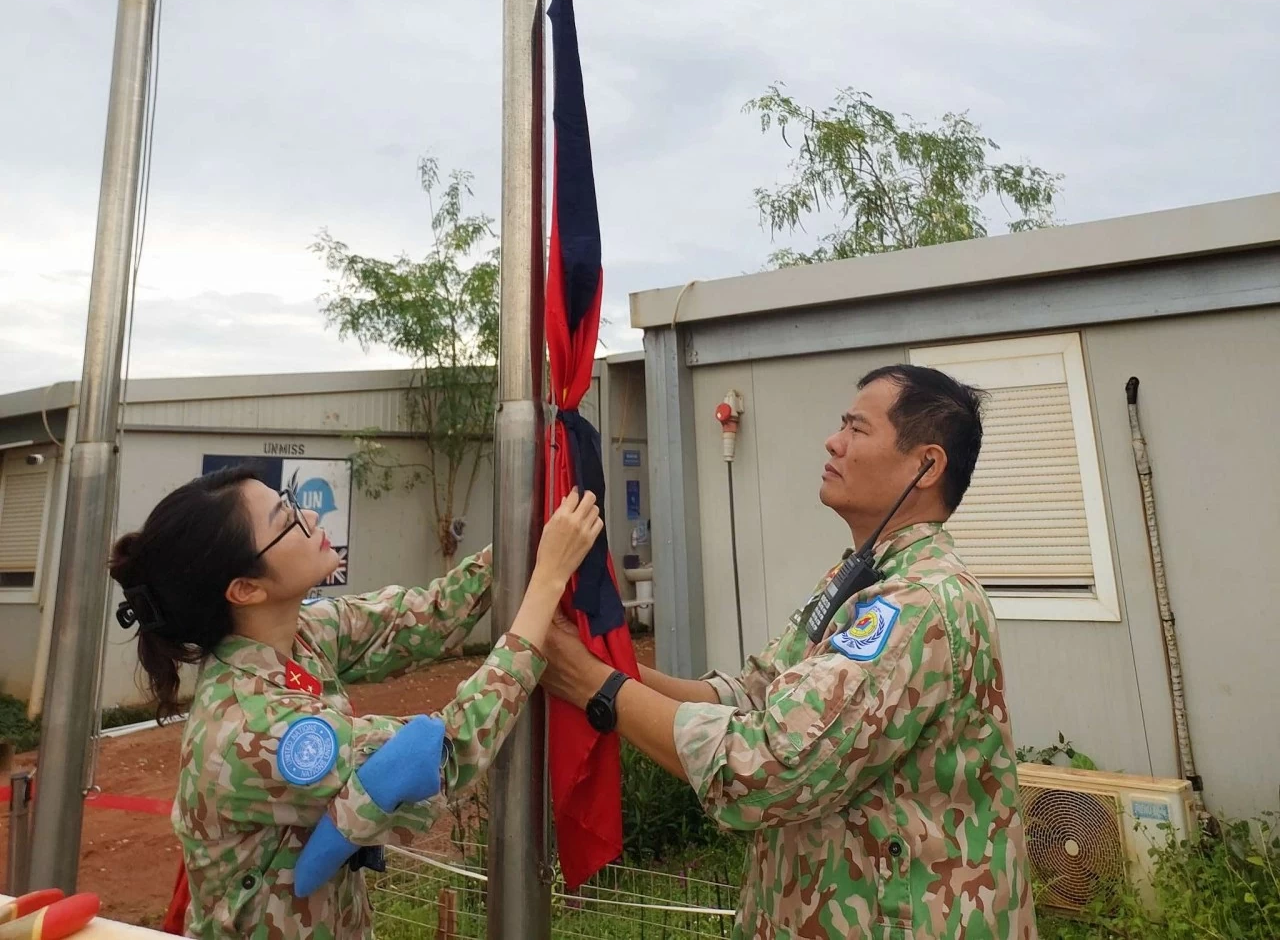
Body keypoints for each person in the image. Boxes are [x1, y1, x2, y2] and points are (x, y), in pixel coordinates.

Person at [541, 364, 1039, 940]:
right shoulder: (864, 579)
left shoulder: (918, 603)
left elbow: (771, 764)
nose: (833, 441)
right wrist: (606, 664)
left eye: (857, 428)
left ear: (925, 466)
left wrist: (592, 685)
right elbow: (754, 694)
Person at [110, 465, 601, 940]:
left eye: (294, 503)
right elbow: (446, 751)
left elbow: (424, 618)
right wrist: (547, 582)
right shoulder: (253, 728)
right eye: (288, 520)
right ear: (246, 589)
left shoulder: (296, 634)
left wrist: (527, 539)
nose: (312, 518)